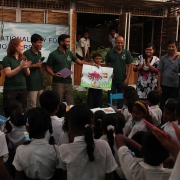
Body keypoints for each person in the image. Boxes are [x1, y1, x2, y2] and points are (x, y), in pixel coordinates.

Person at [58, 105, 118, 180]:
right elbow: (110, 176)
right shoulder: (104, 145)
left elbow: (65, 173)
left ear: (70, 124)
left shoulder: (63, 150)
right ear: (92, 121)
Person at [46, 34, 98, 105]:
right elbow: (47, 67)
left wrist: (93, 64)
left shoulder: (69, 53)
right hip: (58, 83)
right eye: (67, 42)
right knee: (58, 103)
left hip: (68, 82)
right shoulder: (53, 54)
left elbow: (80, 62)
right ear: (61, 42)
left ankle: (69, 116)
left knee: (70, 103)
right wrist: (53, 74)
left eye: (69, 41)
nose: (69, 43)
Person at [13, 107, 61, 180]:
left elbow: (18, 177)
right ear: (47, 126)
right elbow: (59, 175)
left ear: (27, 127)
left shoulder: (20, 150)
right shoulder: (55, 150)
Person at [2, 38, 31, 112]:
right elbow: (8, 74)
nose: (23, 48)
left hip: (22, 88)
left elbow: (27, 74)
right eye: (21, 46)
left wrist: (26, 67)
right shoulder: (7, 59)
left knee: (22, 111)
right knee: (10, 110)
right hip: (11, 90)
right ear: (15, 47)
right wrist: (20, 67)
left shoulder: (23, 58)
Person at [105, 36, 133, 109]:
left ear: (123, 43)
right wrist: (109, 72)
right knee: (111, 100)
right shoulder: (110, 52)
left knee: (122, 99)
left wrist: (127, 78)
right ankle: (111, 115)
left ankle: (121, 115)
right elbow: (106, 64)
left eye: (121, 43)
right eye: (118, 42)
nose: (119, 44)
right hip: (111, 81)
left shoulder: (126, 52)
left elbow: (130, 66)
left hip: (122, 80)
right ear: (115, 42)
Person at [158, 39, 180, 110]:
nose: (171, 48)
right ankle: (163, 120)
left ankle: (172, 120)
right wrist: (159, 86)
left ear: (176, 47)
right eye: (169, 47)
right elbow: (159, 72)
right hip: (164, 86)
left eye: (173, 47)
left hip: (175, 86)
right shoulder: (163, 58)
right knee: (163, 105)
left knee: (173, 105)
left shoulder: (179, 58)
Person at [24, 33, 43, 111]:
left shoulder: (39, 53)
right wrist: (34, 65)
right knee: (32, 106)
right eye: (39, 42)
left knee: (40, 105)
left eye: (41, 42)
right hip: (31, 83)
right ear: (33, 43)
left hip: (39, 83)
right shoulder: (26, 53)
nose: (40, 44)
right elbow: (24, 67)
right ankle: (30, 122)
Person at [99, 115, 123, 179]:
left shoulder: (100, 142)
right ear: (116, 126)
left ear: (101, 126)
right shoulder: (121, 140)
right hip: (121, 174)